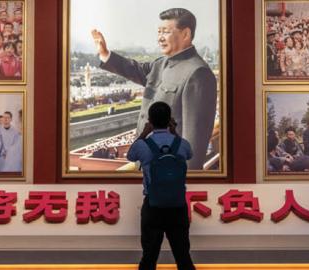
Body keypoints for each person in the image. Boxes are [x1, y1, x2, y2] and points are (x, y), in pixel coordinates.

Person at [92, 8, 217, 170]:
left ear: (186, 34)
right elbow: (134, 69)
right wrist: (105, 54)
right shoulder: (160, 64)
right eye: (159, 32)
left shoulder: (198, 73)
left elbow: (194, 142)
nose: (160, 38)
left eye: (165, 32)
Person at [126, 102, 195, 270]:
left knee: (149, 257)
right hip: (178, 206)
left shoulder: (142, 145)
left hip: (153, 206)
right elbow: (190, 154)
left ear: (150, 121)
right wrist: (175, 132)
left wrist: (144, 132)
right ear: (170, 120)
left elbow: (130, 156)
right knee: (183, 257)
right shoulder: (182, 144)